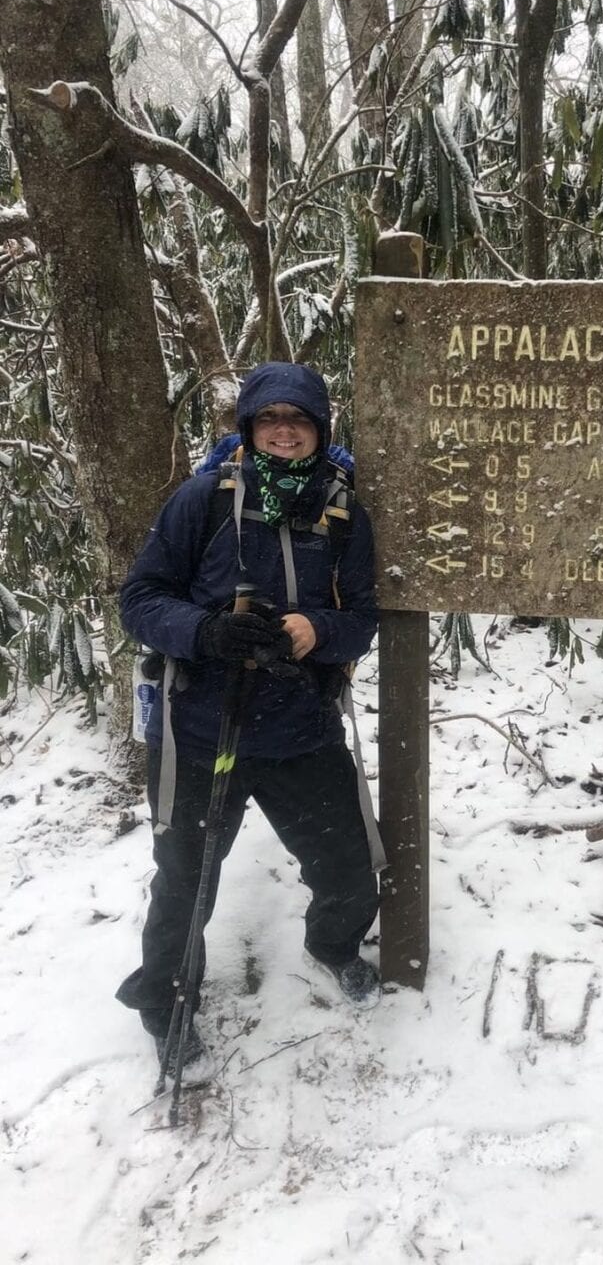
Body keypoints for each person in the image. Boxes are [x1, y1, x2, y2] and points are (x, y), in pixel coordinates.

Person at [116, 361, 381, 1064]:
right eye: (270, 418)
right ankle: (166, 1004)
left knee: (349, 863)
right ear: (249, 428)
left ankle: (333, 945)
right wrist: (205, 632)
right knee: (188, 877)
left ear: (320, 430)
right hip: (202, 728)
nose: (284, 430)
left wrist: (313, 632)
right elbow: (140, 599)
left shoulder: (343, 511)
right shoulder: (201, 500)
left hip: (300, 727)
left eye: (298, 420)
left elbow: (360, 618)